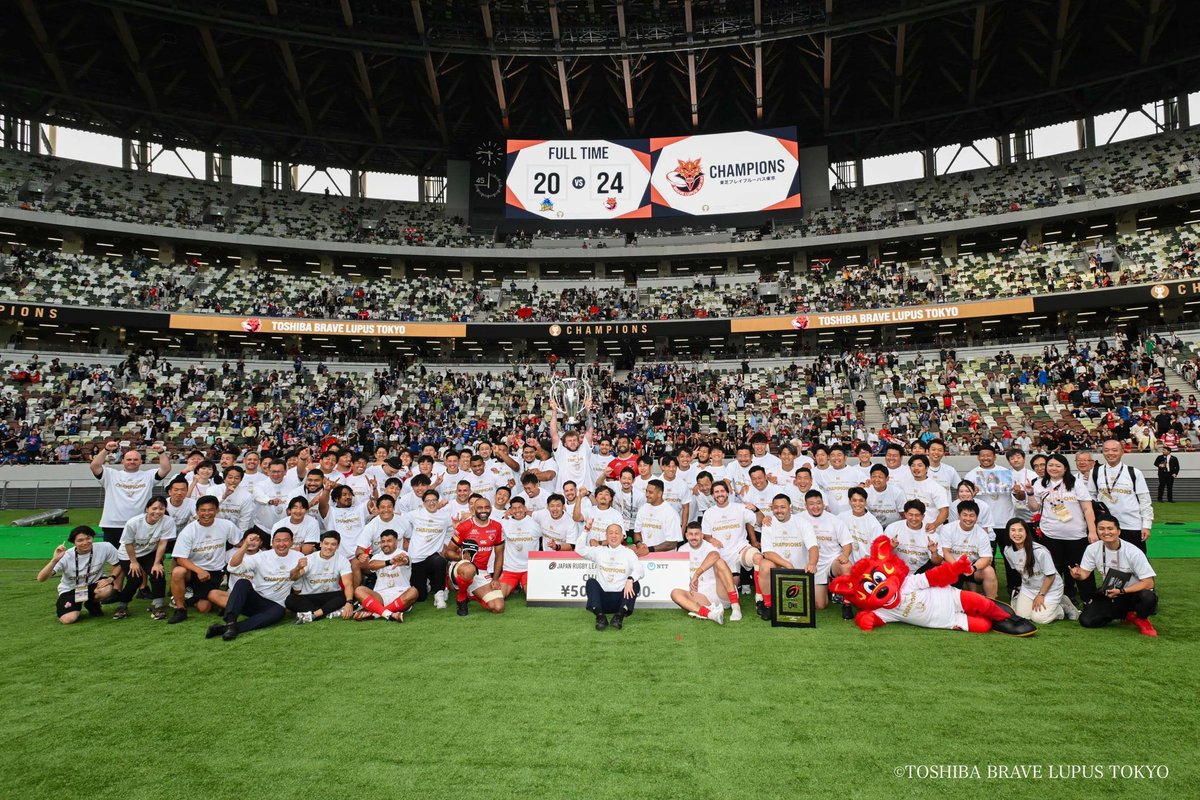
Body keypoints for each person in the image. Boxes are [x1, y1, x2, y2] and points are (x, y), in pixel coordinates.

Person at [206, 529, 305, 640]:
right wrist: (245, 545)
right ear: (272, 542)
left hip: (276, 606)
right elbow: (232, 568)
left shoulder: (298, 557)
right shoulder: (261, 557)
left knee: (279, 612)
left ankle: (228, 628)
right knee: (242, 583)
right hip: (256, 600)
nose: (282, 544)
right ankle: (231, 621)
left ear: (292, 542)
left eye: (286, 540)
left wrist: (294, 606)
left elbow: (297, 580)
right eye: (278, 540)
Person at [1026, 453, 1094, 616]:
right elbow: (1034, 508)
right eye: (1050, 465)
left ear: (1065, 468)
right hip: (1050, 535)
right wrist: (1029, 493)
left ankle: (1089, 601)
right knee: (1053, 570)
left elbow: (1087, 508)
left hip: (1076, 535)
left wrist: (1092, 531)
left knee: (1081, 570)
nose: (1053, 468)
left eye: (1058, 466)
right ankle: (1056, 602)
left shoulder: (1075, 483)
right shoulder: (1040, 484)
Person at [1070, 514, 1158, 636]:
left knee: (1148, 597)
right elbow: (1084, 574)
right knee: (1087, 621)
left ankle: (1142, 618)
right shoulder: (1092, 549)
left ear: (1118, 531)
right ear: (1097, 531)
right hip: (1111, 592)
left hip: (1133, 593)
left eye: (1110, 528)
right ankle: (1125, 614)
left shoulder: (1133, 552)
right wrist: (1077, 575)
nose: (1106, 532)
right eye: (1101, 529)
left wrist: (1122, 591)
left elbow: (1149, 583)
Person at [168, 495, 240, 624]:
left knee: (204, 608)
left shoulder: (226, 525)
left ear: (217, 510)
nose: (206, 513)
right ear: (197, 511)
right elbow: (180, 558)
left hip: (214, 571)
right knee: (178, 571)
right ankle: (180, 609)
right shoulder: (189, 531)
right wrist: (198, 570)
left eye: (210, 510)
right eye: (203, 510)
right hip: (193, 571)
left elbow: (238, 542)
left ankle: (187, 594)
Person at [91, 440, 172, 547]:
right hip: (113, 524)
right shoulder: (110, 475)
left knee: (138, 556)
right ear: (122, 461)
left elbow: (166, 468)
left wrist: (161, 452)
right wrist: (106, 450)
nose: (132, 462)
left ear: (140, 462)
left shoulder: (148, 476)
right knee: (115, 559)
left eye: (135, 459)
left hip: (140, 524)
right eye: (128, 459)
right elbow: (95, 466)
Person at [37, 526, 119, 624]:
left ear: (93, 537)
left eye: (88, 538)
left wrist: (111, 578)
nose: (85, 543)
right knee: (68, 620)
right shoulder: (65, 556)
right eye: (80, 540)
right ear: (73, 542)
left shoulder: (105, 547)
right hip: (71, 590)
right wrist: (54, 560)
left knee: (107, 589)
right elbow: (41, 578)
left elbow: (119, 564)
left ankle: (92, 604)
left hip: (92, 586)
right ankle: (76, 606)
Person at [758, 494, 819, 619]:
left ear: (790, 507)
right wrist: (786, 564)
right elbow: (767, 552)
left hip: (801, 573)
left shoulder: (803, 523)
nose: (779, 511)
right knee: (764, 564)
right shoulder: (768, 524)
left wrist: (812, 563)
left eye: (782, 507)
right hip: (779, 571)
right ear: (772, 508)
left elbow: (813, 547)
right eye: (776, 507)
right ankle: (768, 605)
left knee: (820, 604)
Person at [1086, 438, 1153, 552]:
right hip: (1106, 527)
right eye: (1106, 450)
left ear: (1122, 452)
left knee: (1135, 563)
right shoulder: (1095, 472)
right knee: (1109, 562)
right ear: (1102, 452)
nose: (1110, 453)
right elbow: (1091, 497)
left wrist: (1146, 525)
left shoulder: (1134, 472)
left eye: (1114, 450)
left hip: (1131, 525)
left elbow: (1145, 500)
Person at [574, 523, 645, 631]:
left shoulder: (628, 553)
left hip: (621, 600)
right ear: (606, 536)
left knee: (635, 584)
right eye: (610, 533)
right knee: (591, 582)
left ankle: (619, 617)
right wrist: (586, 530)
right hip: (602, 602)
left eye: (617, 533)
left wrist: (630, 579)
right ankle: (600, 617)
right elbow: (579, 549)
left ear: (622, 536)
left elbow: (639, 569)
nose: (614, 536)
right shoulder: (599, 550)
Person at [112, 496, 173, 620]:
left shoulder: (168, 521)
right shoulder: (133, 522)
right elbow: (127, 543)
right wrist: (133, 562)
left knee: (158, 572)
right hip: (128, 553)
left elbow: (162, 543)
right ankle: (122, 605)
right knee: (135, 579)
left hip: (149, 552)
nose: (157, 512)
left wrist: (157, 563)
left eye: (161, 508)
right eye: (154, 508)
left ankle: (158, 605)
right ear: (147, 509)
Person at [443, 496, 506, 616]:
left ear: (491, 509)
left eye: (487, 507)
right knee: (469, 569)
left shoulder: (497, 527)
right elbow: (448, 552)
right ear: (473, 509)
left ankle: (472, 594)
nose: (484, 510)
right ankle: (461, 597)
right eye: (480, 508)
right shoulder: (464, 526)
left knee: (498, 607)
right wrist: (461, 558)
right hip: (460, 568)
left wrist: (496, 578)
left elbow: (499, 555)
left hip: (481, 571)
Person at [1002, 519, 1066, 625]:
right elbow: (1021, 572)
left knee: (1039, 619)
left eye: (1020, 530)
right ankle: (1026, 601)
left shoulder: (1040, 551)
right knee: (1023, 617)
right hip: (1029, 589)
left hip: (1050, 589)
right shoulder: (1007, 550)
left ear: (1026, 533)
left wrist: (1041, 595)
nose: (1017, 534)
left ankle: (1061, 608)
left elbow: (1051, 576)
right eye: (1013, 530)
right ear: (1008, 533)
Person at [290, 531, 355, 624]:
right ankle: (329, 611)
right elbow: (293, 577)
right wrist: (298, 567)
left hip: (331, 595)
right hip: (310, 596)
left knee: (345, 596)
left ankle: (314, 615)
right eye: (326, 543)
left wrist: (349, 603)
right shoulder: (309, 559)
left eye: (333, 544)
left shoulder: (342, 560)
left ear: (338, 546)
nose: (329, 547)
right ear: (320, 544)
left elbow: (348, 583)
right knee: (290, 600)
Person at [403, 489, 454, 608]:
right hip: (416, 557)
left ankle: (439, 594)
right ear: (423, 503)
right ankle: (428, 584)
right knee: (420, 597)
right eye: (428, 501)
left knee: (439, 561)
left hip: (433, 556)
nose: (431, 503)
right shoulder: (415, 514)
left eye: (434, 500)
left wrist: (445, 545)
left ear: (438, 501)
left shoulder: (445, 516)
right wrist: (407, 537)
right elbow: (400, 519)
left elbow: (450, 530)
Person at [937, 500, 997, 600]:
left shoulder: (982, 533)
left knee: (989, 571)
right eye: (965, 515)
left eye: (972, 515)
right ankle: (944, 601)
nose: (968, 519)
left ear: (977, 517)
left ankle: (991, 603)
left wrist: (973, 568)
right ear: (958, 515)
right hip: (952, 564)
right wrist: (956, 566)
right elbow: (945, 551)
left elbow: (986, 557)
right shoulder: (948, 528)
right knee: (942, 564)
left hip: (971, 567)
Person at [671, 521, 728, 624]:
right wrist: (689, 583)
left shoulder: (711, 546)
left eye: (696, 534)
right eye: (691, 534)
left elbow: (715, 555)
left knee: (719, 562)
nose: (694, 537)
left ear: (702, 535)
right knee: (675, 593)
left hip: (717, 589)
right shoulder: (682, 549)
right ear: (686, 536)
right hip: (700, 594)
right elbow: (680, 573)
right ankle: (710, 614)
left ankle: (733, 606)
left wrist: (696, 574)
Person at [354, 530, 417, 621]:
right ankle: (390, 614)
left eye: (389, 541)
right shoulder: (377, 556)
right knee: (359, 590)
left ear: (396, 542)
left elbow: (405, 560)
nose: (385, 544)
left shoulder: (403, 554)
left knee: (413, 591)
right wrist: (390, 562)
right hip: (380, 596)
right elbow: (371, 565)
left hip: (401, 594)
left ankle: (376, 614)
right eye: (383, 542)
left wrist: (403, 561)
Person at [497, 497, 542, 597]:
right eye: (514, 508)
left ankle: (523, 584)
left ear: (525, 508)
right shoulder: (504, 523)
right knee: (499, 597)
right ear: (510, 510)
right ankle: (516, 584)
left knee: (532, 597)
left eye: (520, 507)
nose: (517, 511)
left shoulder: (535, 523)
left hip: (529, 568)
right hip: (510, 569)